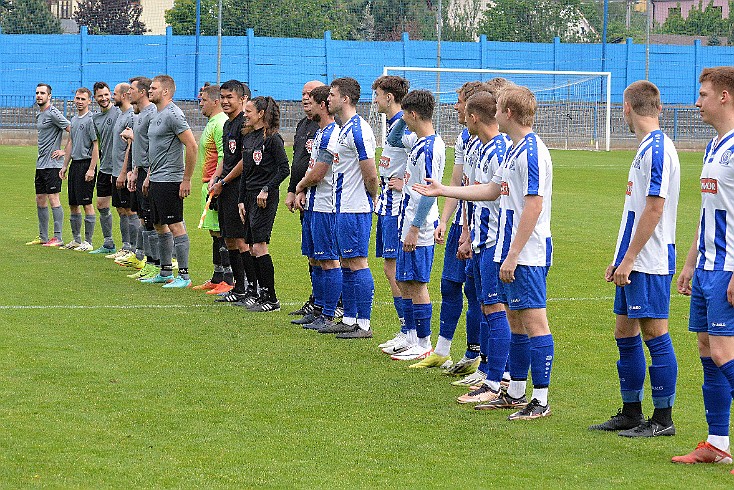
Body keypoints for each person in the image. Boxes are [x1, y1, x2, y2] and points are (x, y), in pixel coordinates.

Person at [414, 85, 554, 420]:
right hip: (506, 249)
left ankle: (541, 399)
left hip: (527, 252)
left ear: (507, 113)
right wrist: (445, 190)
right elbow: (492, 190)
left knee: (534, 322)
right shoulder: (514, 151)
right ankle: (514, 391)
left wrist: (513, 253)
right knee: (515, 320)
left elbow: (534, 206)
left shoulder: (532, 151)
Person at [588, 80, 680, 437]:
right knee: (624, 331)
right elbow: (635, 209)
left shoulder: (657, 150)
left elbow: (654, 209)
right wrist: (619, 258)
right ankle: (630, 411)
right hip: (633, 258)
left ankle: (663, 419)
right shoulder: (646, 148)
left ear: (626, 108)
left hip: (650, 259)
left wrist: (629, 259)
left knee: (655, 333)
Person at [673, 67, 734, 468]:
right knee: (707, 352)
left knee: (724, 353)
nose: (697, 103)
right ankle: (716, 442)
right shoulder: (714, 146)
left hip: (729, 267)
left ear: (725, 97)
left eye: (704, 95)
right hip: (709, 266)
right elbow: (709, 212)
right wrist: (691, 261)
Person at [447, 90, 514, 405]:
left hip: (494, 241)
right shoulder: (482, 148)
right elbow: (473, 193)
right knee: (488, 307)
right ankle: (493, 375)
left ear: (473, 117)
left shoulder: (498, 150)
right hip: (479, 239)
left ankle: (497, 380)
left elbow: (495, 196)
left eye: (463, 110)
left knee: (497, 309)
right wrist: (466, 233)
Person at [319, 77, 379, 338]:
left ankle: (363, 323)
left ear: (345, 99)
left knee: (357, 262)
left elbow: (371, 175)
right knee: (346, 262)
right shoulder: (344, 128)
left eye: (332, 95)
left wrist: (370, 198)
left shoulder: (359, 129)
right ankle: (350, 317)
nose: (328, 99)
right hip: (342, 207)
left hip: (355, 208)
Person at [388, 89, 445, 358]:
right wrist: (402, 115)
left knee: (417, 284)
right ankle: (411, 336)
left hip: (419, 227)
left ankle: (424, 343)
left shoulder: (431, 148)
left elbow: (428, 191)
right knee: (405, 280)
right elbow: (393, 137)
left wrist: (414, 227)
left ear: (414, 114)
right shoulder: (418, 142)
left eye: (407, 116)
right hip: (406, 219)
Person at [141, 74, 198, 288]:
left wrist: (186, 179)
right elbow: (155, 150)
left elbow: (191, 146)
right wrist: (148, 176)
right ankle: (165, 272)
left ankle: (184, 276)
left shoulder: (174, 114)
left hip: (170, 179)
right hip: (156, 178)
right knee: (158, 224)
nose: (150, 91)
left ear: (165, 91)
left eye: (154, 88)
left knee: (175, 225)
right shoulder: (157, 114)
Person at [236, 96, 290, 311]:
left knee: (259, 246)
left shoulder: (272, 139)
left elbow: (284, 169)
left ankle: (271, 299)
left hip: (264, 199)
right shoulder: (248, 138)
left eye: (249, 111)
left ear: (261, 114)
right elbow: (245, 173)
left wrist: (267, 189)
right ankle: (260, 294)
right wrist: (240, 200)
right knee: (251, 248)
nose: (245, 115)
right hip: (248, 197)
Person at [294, 85, 341, 331]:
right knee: (315, 258)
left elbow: (320, 172)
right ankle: (319, 308)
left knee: (328, 260)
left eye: (311, 101)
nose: (306, 105)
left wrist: (300, 186)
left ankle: (329, 313)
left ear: (322, 105)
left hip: (327, 205)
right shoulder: (321, 132)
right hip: (313, 203)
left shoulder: (332, 133)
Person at [371, 75, 411, 345]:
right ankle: (405, 329)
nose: (374, 100)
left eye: (377, 94)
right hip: (386, 202)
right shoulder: (393, 124)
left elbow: (422, 158)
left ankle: (410, 330)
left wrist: (406, 182)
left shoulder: (405, 125)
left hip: (398, 206)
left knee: (396, 268)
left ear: (389, 96)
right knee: (390, 268)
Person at [208, 80, 255, 303]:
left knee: (241, 240)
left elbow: (244, 161)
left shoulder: (244, 125)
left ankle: (250, 288)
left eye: (230, 97)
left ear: (241, 99)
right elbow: (226, 158)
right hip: (225, 187)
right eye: (223, 97)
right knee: (228, 239)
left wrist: (223, 181)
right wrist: (215, 178)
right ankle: (238, 288)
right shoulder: (227, 125)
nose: (225, 101)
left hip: (237, 189)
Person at [287, 80, 325, 317]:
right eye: (302, 93)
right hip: (303, 195)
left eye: (310, 94)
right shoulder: (303, 125)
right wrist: (293, 190)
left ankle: (331, 301)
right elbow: (298, 162)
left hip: (321, 196)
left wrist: (303, 187)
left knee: (325, 253)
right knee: (311, 252)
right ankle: (317, 298)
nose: (305, 98)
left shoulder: (329, 126)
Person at [191, 84, 230, 292]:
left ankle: (228, 279)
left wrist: (217, 180)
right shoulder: (212, 122)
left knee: (222, 232)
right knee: (214, 232)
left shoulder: (220, 123)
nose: (200, 104)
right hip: (208, 182)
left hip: (216, 184)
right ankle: (217, 276)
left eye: (203, 100)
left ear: (215, 102)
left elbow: (225, 156)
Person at [122, 76, 161, 281]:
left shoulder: (151, 113)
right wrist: (134, 170)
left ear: (142, 92)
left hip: (151, 172)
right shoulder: (138, 114)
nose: (129, 92)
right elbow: (142, 145)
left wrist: (148, 173)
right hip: (141, 171)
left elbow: (154, 146)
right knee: (144, 219)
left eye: (132, 89)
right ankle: (149, 262)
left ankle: (158, 265)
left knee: (153, 220)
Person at [27, 83, 69, 247]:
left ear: (49, 96)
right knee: (40, 199)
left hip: (53, 165)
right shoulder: (40, 115)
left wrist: (65, 151)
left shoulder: (54, 113)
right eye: (37, 92)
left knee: (54, 198)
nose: (39, 95)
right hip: (41, 165)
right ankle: (43, 236)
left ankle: (57, 238)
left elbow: (73, 129)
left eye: (42, 93)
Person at [59, 87, 98, 252]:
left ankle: (88, 242)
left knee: (87, 203)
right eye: (77, 98)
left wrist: (91, 169)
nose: (79, 102)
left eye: (83, 99)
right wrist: (64, 165)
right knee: (73, 204)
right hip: (75, 165)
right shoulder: (73, 120)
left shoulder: (91, 120)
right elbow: (70, 143)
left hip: (86, 164)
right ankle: (76, 239)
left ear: (89, 101)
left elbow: (96, 146)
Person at [108, 83, 139, 265]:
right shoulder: (120, 115)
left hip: (124, 171)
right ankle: (126, 246)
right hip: (115, 170)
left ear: (125, 95)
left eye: (115, 94)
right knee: (121, 209)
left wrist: (123, 171)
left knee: (130, 210)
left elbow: (131, 146)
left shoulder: (131, 117)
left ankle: (134, 249)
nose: (113, 97)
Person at [89, 81, 120, 254]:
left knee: (126, 210)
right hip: (105, 167)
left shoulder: (119, 112)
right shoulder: (95, 118)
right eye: (100, 96)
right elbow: (97, 144)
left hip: (118, 168)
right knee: (101, 205)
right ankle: (108, 243)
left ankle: (129, 247)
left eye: (106, 95)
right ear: (95, 98)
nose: (104, 98)